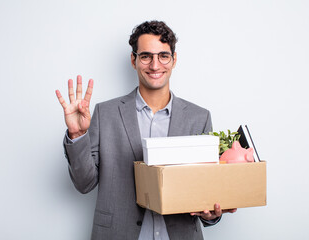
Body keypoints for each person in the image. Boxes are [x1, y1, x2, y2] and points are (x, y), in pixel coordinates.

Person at [56, 20, 236, 240]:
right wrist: (77, 135)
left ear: (174, 59)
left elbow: (205, 191)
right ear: (133, 60)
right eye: (146, 56)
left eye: (163, 55)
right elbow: (84, 184)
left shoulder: (199, 117)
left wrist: (211, 214)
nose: (155, 65)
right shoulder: (106, 113)